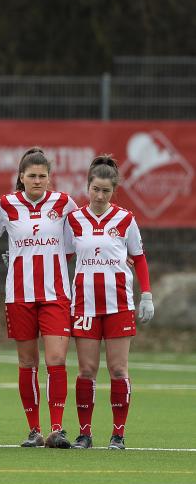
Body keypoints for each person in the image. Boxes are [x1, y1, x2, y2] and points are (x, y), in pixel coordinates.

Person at [0, 147, 77, 448]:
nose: (37, 181)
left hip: (55, 294)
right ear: (21, 178)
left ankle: (57, 429)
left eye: (42, 176)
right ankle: (34, 431)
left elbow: (80, 241)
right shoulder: (7, 204)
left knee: (56, 360)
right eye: (31, 176)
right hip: (19, 295)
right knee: (28, 363)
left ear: (50, 179)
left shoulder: (64, 203)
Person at [64, 155, 154, 450]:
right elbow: (61, 257)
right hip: (85, 306)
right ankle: (84, 433)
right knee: (86, 370)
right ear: (87, 186)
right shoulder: (74, 220)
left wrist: (147, 295)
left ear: (113, 191)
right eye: (95, 189)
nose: (100, 196)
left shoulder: (125, 219)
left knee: (118, 370)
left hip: (119, 305)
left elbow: (138, 258)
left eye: (106, 191)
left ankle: (118, 434)